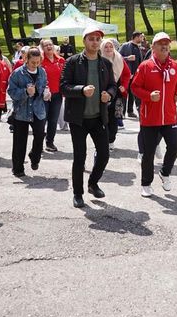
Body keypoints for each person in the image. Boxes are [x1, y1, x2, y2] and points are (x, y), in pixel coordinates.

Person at [60, 26, 117, 208]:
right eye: (91, 39)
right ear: (84, 40)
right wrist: (81, 90)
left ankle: (93, 183)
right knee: (80, 157)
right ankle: (78, 194)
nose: (94, 42)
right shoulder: (72, 62)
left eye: (97, 39)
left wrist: (109, 94)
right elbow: (63, 87)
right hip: (78, 119)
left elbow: (113, 85)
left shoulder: (105, 63)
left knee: (104, 154)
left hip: (98, 117)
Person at [130, 32, 177, 197]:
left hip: (169, 116)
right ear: (153, 47)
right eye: (161, 43)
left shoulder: (176, 66)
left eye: (166, 43)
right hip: (150, 118)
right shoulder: (145, 66)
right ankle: (146, 184)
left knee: (174, 147)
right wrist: (148, 96)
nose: (164, 46)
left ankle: (165, 172)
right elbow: (134, 87)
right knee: (149, 153)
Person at [7, 47, 50, 177]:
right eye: (33, 62)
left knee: (40, 135)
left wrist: (46, 94)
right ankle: (18, 168)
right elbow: (11, 92)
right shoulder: (17, 73)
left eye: (38, 62)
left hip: (38, 110)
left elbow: (45, 86)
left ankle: (35, 156)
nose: (35, 64)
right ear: (26, 59)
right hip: (22, 111)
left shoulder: (42, 72)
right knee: (19, 141)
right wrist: (25, 92)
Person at [101, 38, 130, 151]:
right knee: (102, 119)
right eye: (106, 47)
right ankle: (103, 141)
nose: (108, 49)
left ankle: (111, 140)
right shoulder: (98, 58)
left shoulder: (119, 58)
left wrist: (124, 86)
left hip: (117, 93)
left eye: (110, 47)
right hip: (102, 92)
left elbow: (127, 74)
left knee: (114, 119)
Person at [39, 38, 66, 152]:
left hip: (57, 94)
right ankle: (38, 143)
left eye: (50, 44)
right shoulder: (39, 60)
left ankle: (50, 142)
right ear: (42, 48)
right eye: (46, 45)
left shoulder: (61, 60)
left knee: (53, 120)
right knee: (42, 120)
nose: (49, 47)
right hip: (43, 96)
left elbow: (64, 77)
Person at [119, 31, 143, 117]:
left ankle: (130, 111)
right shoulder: (125, 46)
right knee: (124, 93)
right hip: (126, 75)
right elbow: (118, 57)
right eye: (140, 37)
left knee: (132, 93)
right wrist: (127, 58)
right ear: (136, 37)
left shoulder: (139, 48)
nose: (142, 39)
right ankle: (122, 112)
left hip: (136, 75)